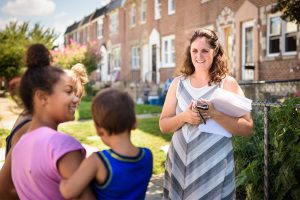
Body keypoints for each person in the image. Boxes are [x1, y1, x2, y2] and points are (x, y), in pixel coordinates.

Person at [159, 29, 253, 199]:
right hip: (180, 161)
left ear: (215, 51)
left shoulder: (227, 84)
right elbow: (163, 125)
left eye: (205, 51)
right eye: (194, 50)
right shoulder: (178, 83)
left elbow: (247, 128)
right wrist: (184, 117)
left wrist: (215, 113)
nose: (199, 56)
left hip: (214, 165)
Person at [0, 44, 93, 199]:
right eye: (69, 91)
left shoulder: (23, 144)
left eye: (77, 94)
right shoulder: (62, 146)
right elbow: (5, 189)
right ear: (42, 97)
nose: (76, 99)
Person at [59, 88, 153, 200]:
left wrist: (62, 181)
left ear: (99, 130)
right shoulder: (148, 156)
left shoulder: (98, 161)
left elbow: (68, 192)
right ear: (135, 123)